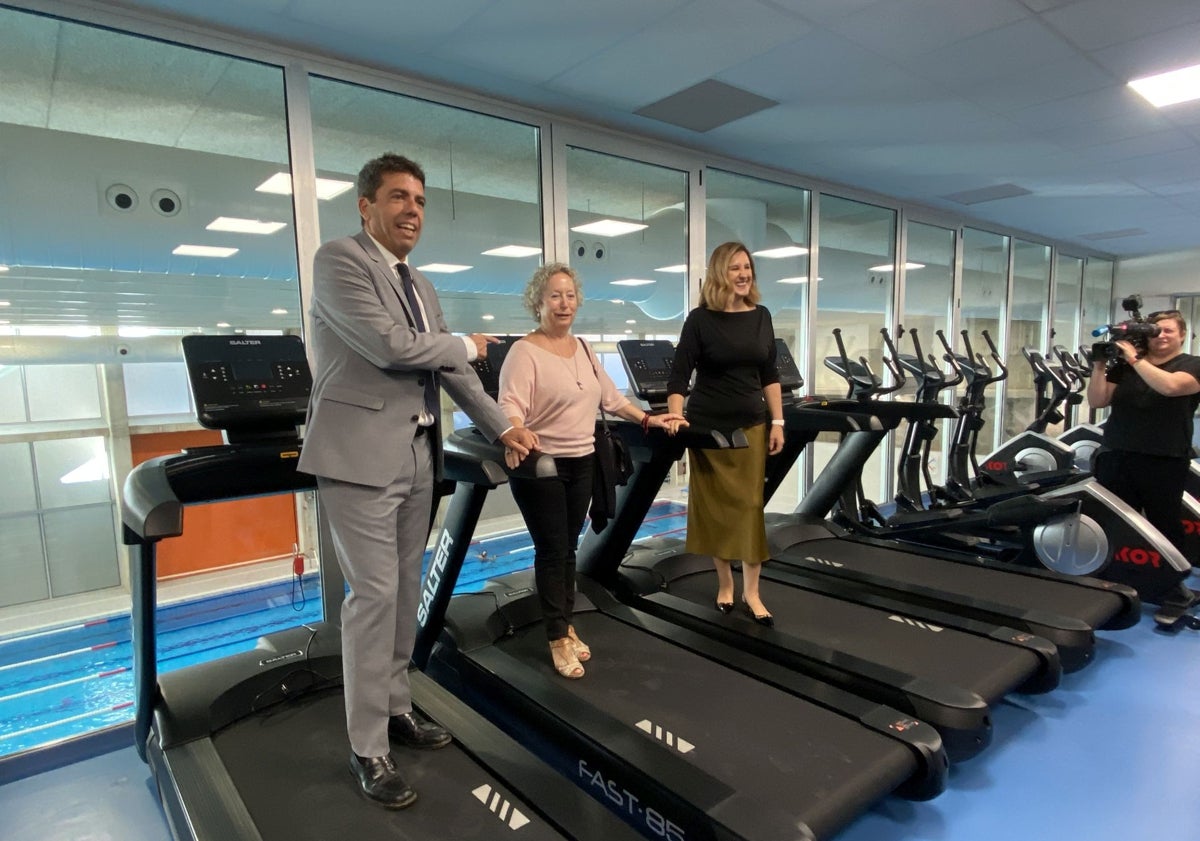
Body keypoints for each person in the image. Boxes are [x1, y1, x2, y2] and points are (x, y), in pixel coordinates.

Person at [297, 153, 538, 809]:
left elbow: (454, 375)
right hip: (358, 454)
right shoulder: (339, 261)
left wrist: (502, 427)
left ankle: (397, 707)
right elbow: (390, 347)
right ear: (366, 206)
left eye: (421, 201)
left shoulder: (422, 284)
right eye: (399, 197)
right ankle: (367, 746)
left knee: (404, 591)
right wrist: (465, 343)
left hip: (418, 454)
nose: (412, 210)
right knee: (373, 596)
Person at [498, 263, 686, 679]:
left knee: (568, 549)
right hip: (542, 466)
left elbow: (612, 399)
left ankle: (564, 624)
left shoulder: (583, 347)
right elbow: (509, 404)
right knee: (552, 551)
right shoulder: (525, 352)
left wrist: (646, 419)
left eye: (569, 295)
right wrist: (514, 430)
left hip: (583, 460)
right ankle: (555, 637)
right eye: (554, 296)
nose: (563, 303)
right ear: (538, 302)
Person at [666, 241, 785, 625]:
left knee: (749, 509)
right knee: (716, 511)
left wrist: (778, 421)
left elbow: (769, 374)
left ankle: (751, 591)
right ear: (721, 272)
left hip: (750, 424)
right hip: (707, 428)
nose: (743, 274)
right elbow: (679, 374)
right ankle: (725, 585)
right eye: (735, 267)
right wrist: (675, 417)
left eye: (747, 267)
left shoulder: (761, 316)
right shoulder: (700, 320)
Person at [1087, 308, 1200, 553]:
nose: (1161, 336)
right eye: (1155, 332)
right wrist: (1099, 367)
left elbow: (1170, 387)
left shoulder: (1193, 364)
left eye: (1168, 331)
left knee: (1164, 524)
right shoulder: (1126, 366)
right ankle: (1115, 577)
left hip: (1164, 459)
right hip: (1117, 454)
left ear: (1182, 335)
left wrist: (1135, 359)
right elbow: (1097, 400)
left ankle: (1171, 582)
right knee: (1113, 521)